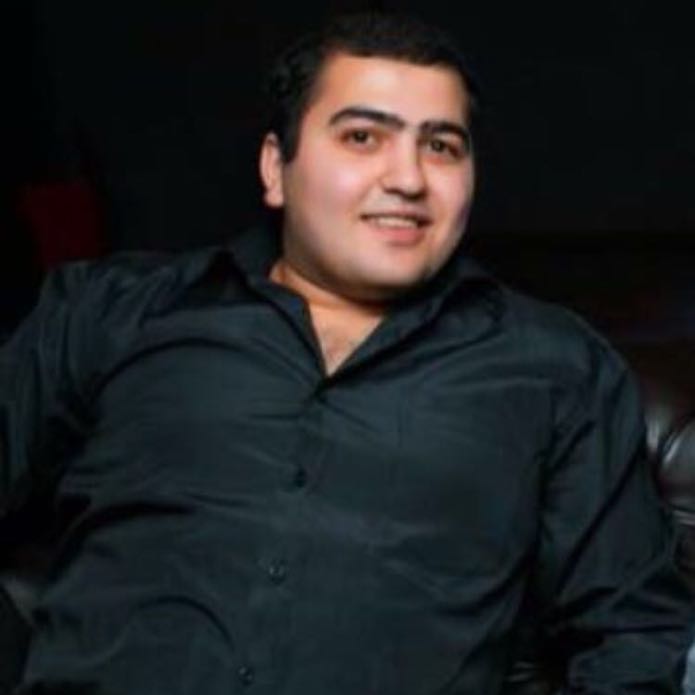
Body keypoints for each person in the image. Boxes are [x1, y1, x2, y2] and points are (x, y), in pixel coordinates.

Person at [0, 11, 692, 695]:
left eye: (442, 146)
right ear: (276, 167)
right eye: (363, 137)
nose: (409, 178)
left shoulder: (555, 367)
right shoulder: (112, 312)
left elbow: (631, 637)